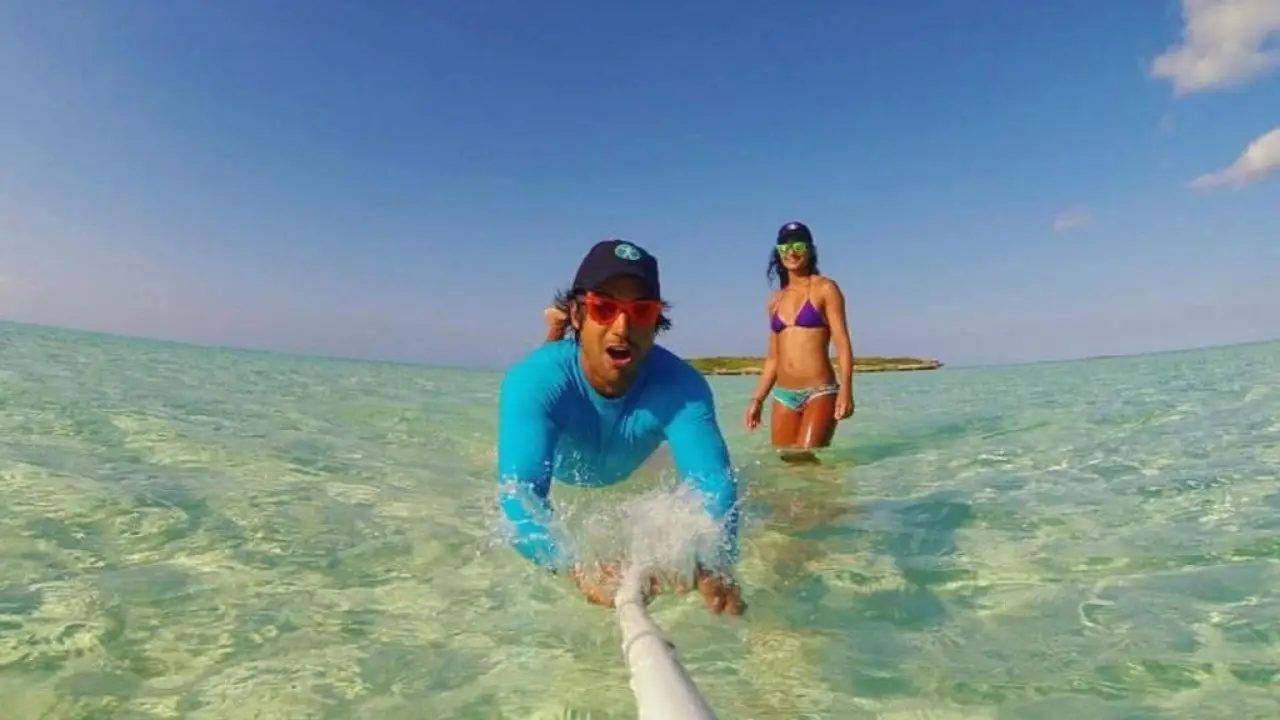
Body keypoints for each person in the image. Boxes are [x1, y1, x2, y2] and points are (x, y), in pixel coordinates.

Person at [499, 238, 746, 615]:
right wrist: (574, 566)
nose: (622, 326)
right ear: (578, 314)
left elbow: (714, 484)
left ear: (656, 322)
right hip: (565, 470)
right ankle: (554, 331)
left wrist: (711, 560)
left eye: (641, 311)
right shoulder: (532, 382)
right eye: (604, 308)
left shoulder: (683, 388)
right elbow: (519, 495)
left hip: (630, 466)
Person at [744, 221, 855, 460]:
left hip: (820, 391)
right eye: (784, 247)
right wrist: (757, 399)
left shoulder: (825, 288)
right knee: (787, 461)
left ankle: (834, 486)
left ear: (810, 250)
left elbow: (842, 343)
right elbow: (773, 358)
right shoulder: (775, 300)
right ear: (778, 252)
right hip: (783, 395)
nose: (791, 252)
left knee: (804, 459)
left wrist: (846, 390)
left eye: (798, 246)